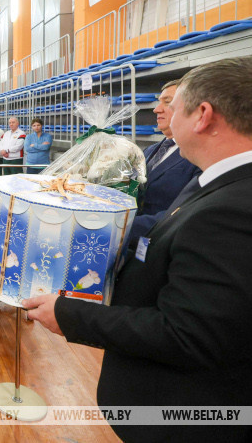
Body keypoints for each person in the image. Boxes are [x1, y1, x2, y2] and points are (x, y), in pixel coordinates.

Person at [23, 57, 252, 443]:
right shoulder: (217, 185)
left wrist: (70, 314)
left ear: (203, 116)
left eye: (174, 107)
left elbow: (187, 334)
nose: (164, 114)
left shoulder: (231, 208)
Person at [128, 80, 201, 243]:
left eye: (167, 102)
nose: (156, 109)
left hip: (163, 242)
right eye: (158, 102)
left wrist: (122, 225)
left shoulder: (199, 156)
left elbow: (182, 212)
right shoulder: (150, 150)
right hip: (134, 245)